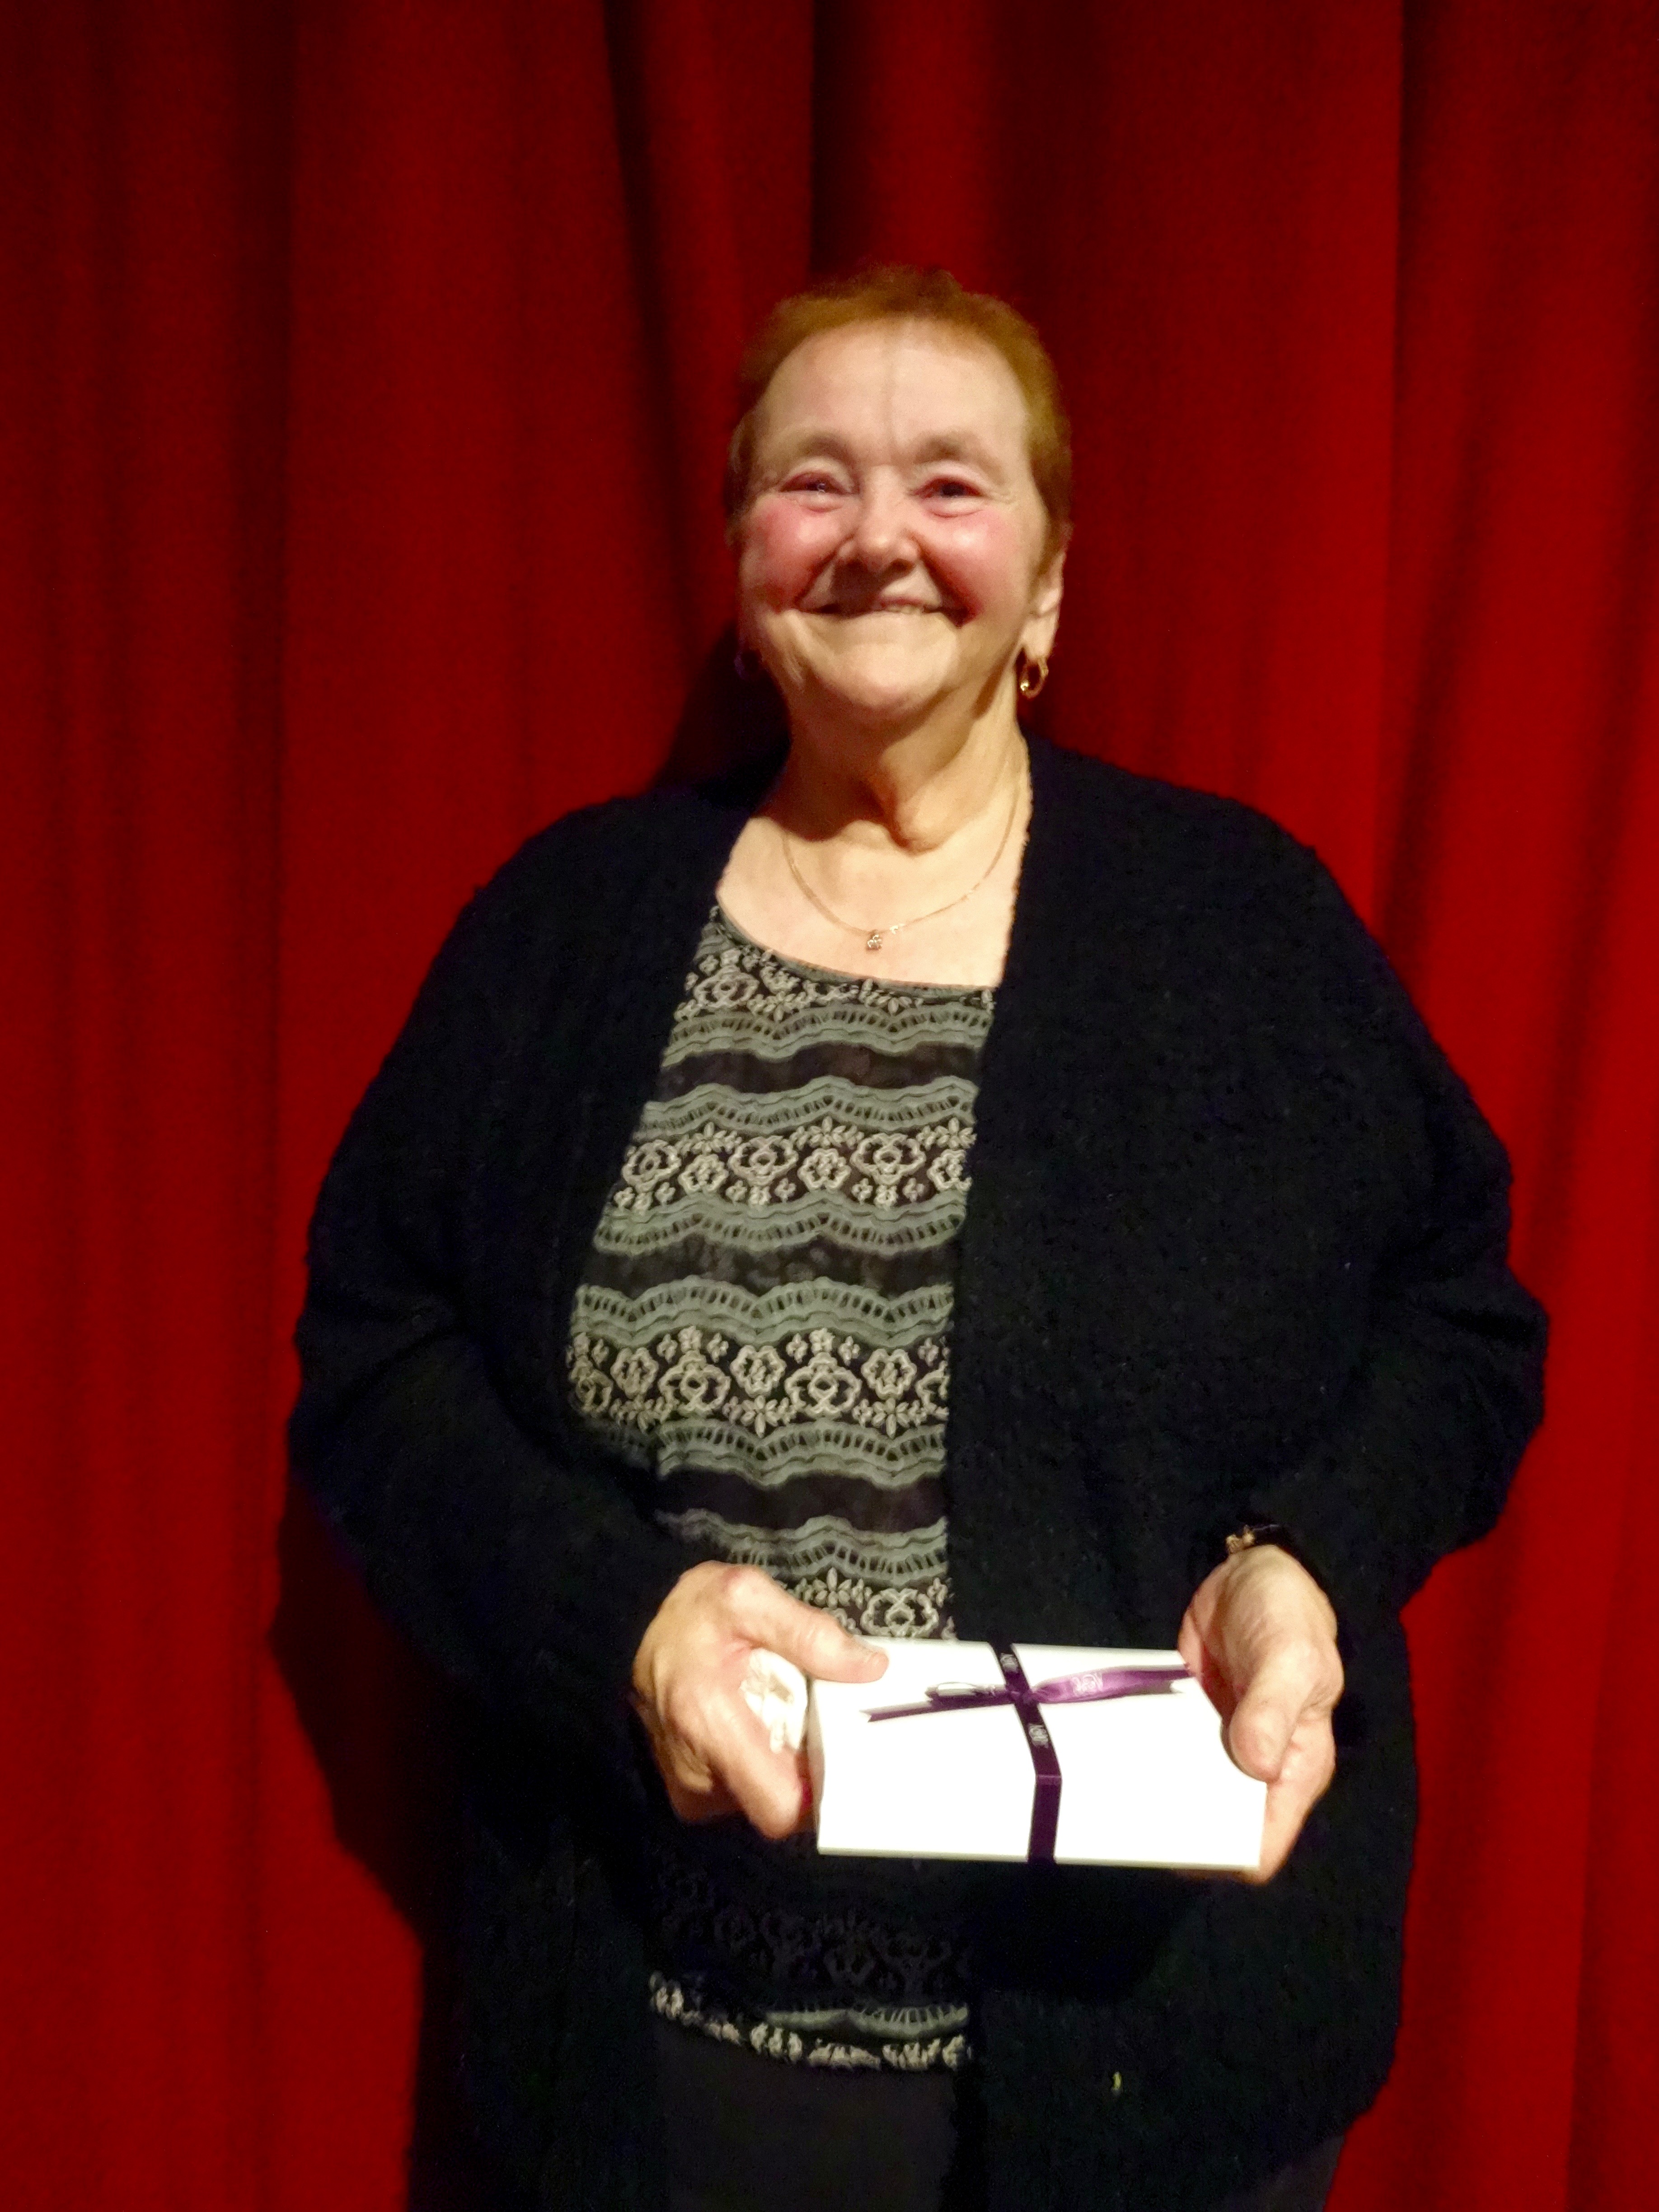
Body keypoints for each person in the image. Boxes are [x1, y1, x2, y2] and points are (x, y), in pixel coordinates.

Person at [290, 267, 1547, 2212]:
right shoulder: (565, 930)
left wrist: (1306, 1562)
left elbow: (1462, 1321)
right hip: (661, 2063)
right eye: (817, 481)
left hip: (1153, 2063)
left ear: (1046, 583)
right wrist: (622, 1624)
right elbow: (380, 1363)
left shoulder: (1241, 928)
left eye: (952, 485)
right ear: (744, 569)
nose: (879, 536)